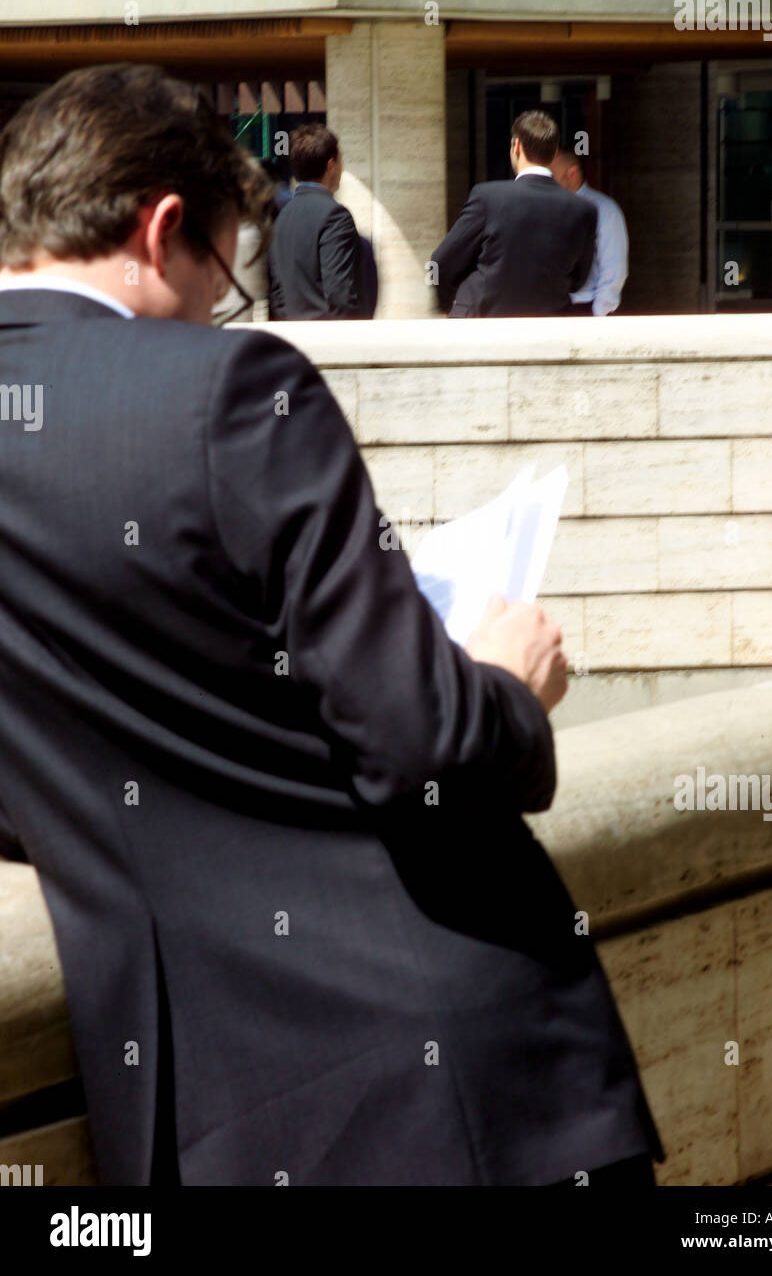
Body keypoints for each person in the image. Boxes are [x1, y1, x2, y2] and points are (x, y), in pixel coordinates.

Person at [0, 63, 662, 1186]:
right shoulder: (225, 388)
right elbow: (423, 745)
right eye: (218, 274)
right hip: (452, 1094)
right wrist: (500, 684)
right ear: (161, 229)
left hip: (202, 1126)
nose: (218, 311)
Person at [430, 110, 597, 318]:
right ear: (555, 154)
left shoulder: (487, 197)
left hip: (480, 325)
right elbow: (579, 280)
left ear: (516, 146)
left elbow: (439, 262)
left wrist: (447, 304)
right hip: (548, 329)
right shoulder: (584, 210)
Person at [268, 123, 363, 320]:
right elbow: (340, 293)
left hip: (293, 336)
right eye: (341, 160)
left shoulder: (282, 217)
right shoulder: (335, 216)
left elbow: (277, 295)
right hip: (328, 339)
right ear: (331, 165)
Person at [551, 148, 629, 317]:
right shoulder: (544, 208)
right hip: (548, 309)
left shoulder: (604, 209)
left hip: (584, 308)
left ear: (572, 173)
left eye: (552, 174)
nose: (548, 180)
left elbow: (614, 269)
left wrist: (598, 314)